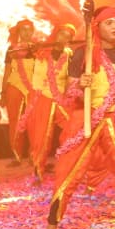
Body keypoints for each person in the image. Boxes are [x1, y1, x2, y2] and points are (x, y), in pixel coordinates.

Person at [37, 6, 115, 229]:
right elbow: (71, 92)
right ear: (96, 27)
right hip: (87, 117)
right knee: (67, 171)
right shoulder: (82, 54)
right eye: (109, 23)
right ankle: (51, 226)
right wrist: (80, 85)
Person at [23, 23, 75, 182]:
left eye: (67, 36)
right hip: (41, 97)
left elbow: (69, 79)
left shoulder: (69, 55)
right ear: (55, 34)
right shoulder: (40, 50)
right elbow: (24, 53)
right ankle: (38, 170)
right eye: (61, 34)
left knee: (74, 127)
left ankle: (70, 164)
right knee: (41, 136)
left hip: (59, 99)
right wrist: (31, 48)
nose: (63, 38)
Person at [2, 20, 37, 162]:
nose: (26, 32)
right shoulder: (11, 49)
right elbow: (7, 71)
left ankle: (34, 154)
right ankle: (17, 155)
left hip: (33, 87)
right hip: (14, 86)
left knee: (33, 121)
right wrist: (3, 92)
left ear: (33, 31)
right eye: (23, 29)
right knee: (14, 120)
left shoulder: (38, 48)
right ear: (19, 32)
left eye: (29, 29)